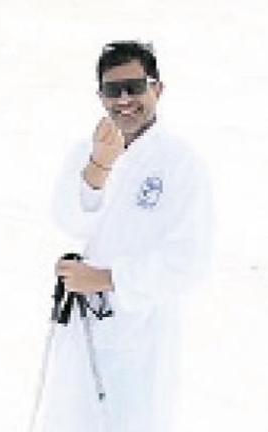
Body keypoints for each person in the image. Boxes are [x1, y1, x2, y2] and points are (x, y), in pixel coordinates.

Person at [38, 41, 213, 432]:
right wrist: (99, 166)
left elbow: (190, 261)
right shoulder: (87, 150)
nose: (124, 100)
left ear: (157, 89)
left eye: (134, 87)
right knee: (70, 419)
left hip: (142, 331)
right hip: (84, 327)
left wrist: (106, 279)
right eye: (112, 90)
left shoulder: (180, 163)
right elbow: (68, 220)